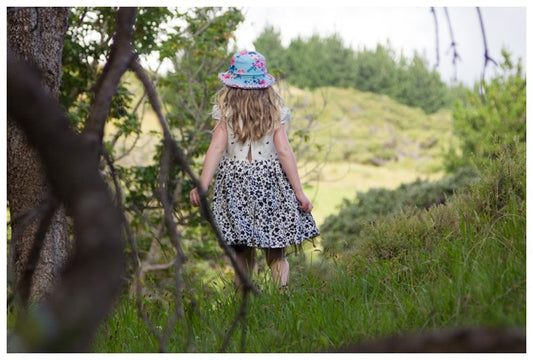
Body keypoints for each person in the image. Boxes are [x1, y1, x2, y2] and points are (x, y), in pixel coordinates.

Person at [189, 50, 319, 291]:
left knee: (242, 250)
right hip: (270, 184)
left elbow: (216, 147)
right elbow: (284, 152)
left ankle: (243, 300)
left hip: (235, 185)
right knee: (276, 250)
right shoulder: (273, 111)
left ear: (232, 83)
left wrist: (203, 184)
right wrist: (299, 191)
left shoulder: (225, 110)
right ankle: (282, 293)